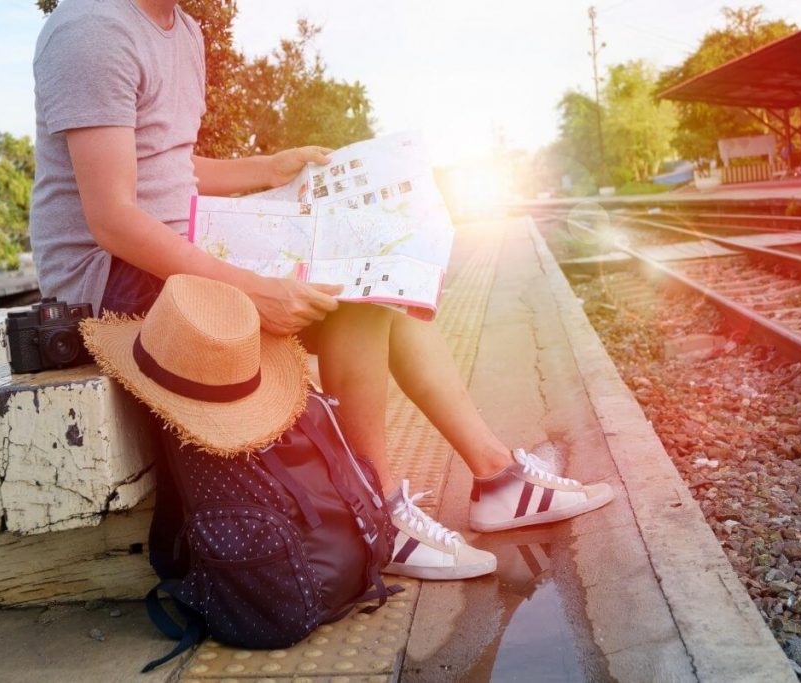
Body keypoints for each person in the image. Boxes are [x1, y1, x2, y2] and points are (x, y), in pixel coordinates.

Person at [31, 0, 613, 582]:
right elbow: (112, 218)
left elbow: (169, 165)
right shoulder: (93, 30)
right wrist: (254, 290)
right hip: (111, 275)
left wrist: (269, 167)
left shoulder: (183, 31)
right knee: (351, 302)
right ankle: (375, 514)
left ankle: (495, 477)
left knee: (383, 277)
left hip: (181, 242)